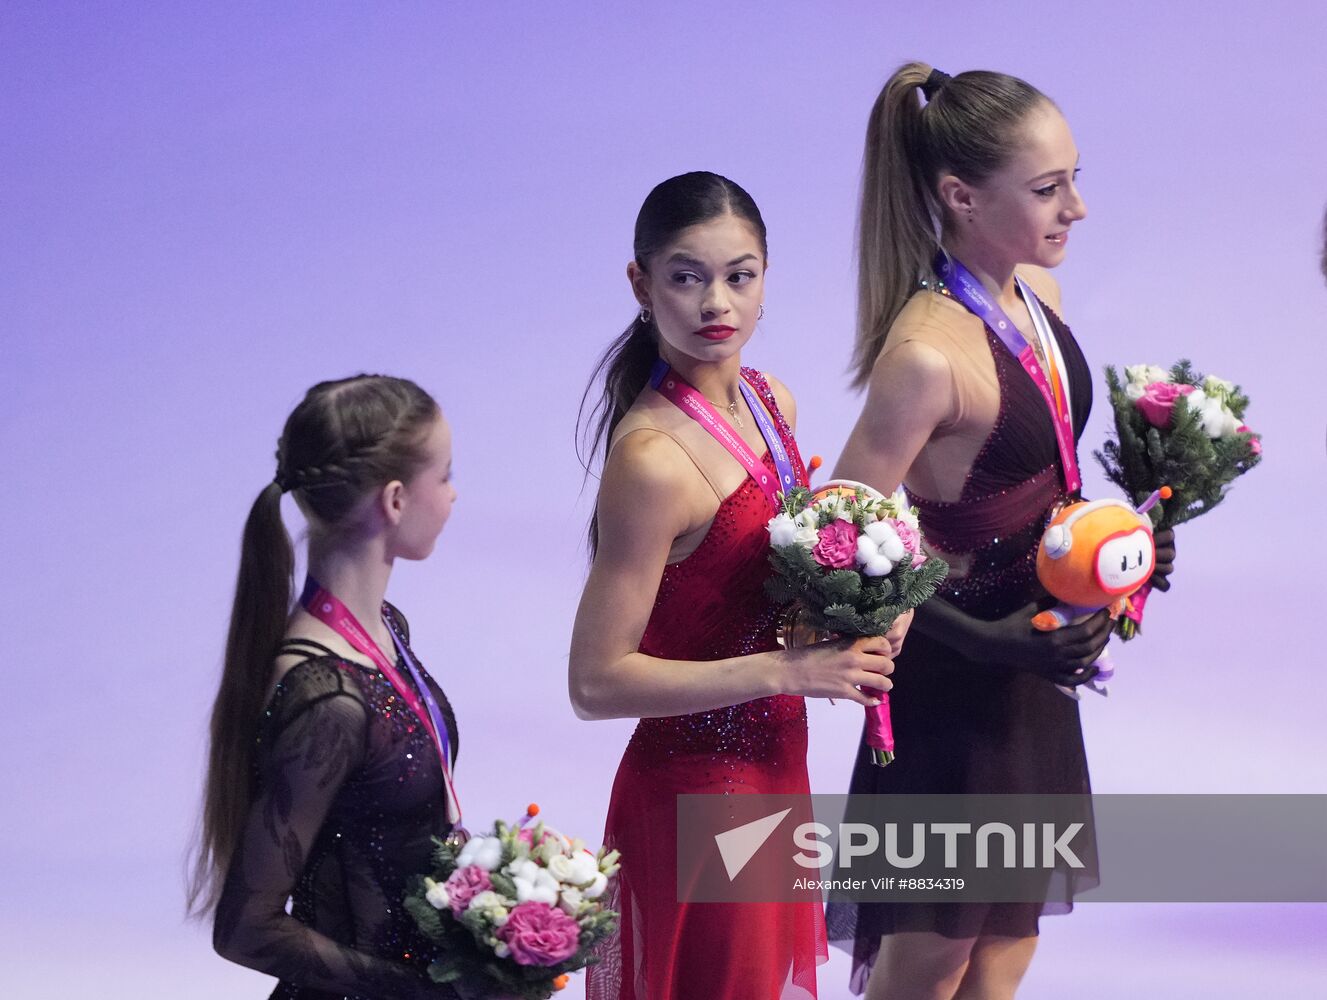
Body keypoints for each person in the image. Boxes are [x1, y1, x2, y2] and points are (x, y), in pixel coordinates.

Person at [824, 65, 1176, 1000]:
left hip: (1033, 666)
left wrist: (1129, 546)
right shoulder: (924, 355)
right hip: (954, 689)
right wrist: (983, 638)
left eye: (1072, 178)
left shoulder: (1038, 302)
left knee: (1009, 939)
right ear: (961, 197)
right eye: (1048, 188)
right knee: (934, 949)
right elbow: (829, 549)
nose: (1078, 207)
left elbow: (1044, 481)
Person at [570, 171, 905, 1000]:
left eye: (738, 275)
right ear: (641, 285)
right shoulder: (651, 459)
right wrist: (786, 673)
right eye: (686, 277)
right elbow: (594, 680)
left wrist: (860, 616)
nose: (715, 301)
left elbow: (764, 591)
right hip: (695, 789)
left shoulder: (769, 400)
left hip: (771, 768)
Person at [188, 374, 465, 999]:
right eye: (445, 475)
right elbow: (245, 928)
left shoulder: (386, 633)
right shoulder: (329, 701)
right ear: (395, 500)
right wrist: (424, 990)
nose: (453, 496)